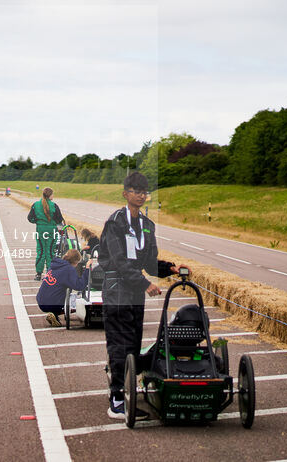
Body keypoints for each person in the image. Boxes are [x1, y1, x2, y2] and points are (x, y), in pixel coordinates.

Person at [98, 172, 184, 421]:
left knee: (133, 345)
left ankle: (126, 390)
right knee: (120, 345)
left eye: (144, 191)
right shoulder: (115, 222)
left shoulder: (148, 225)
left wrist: (169, 269)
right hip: (117, 288)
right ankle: (116, 399)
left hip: (135, 291)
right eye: (135, 190)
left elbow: (147, 261)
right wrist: (145, 283)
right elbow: (118, 261)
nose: (140, 194)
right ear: (125, 193)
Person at [36, 248, 94, 327]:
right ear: (75, 262)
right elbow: (79, 286)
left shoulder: (55, 264)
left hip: (41, 301)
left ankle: (54, 315)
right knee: (73, 301)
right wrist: (87, 269)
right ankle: (54, 312)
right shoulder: (68, 269)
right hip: (52, 303)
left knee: (58, 290)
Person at [27, 187, 64, 281]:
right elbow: (59, 219)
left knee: (41, 251)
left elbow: (30, 218)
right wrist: (52, 222)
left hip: (40, 230)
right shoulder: (54, 206)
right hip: (52, 230)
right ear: (50, 195)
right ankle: (49, 273)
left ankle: (38, 274)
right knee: (50, 252)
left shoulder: (36, 205)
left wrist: (38, 222)